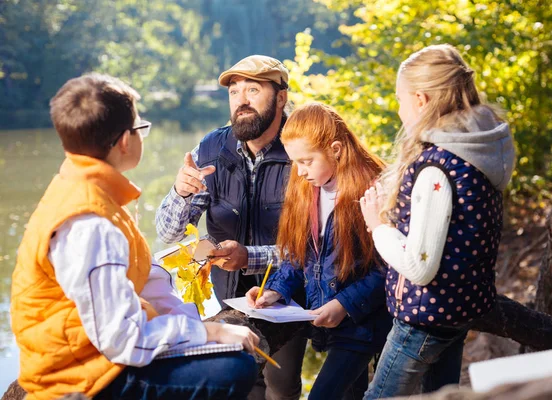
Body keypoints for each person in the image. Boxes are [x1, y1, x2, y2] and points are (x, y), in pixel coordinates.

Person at [10, 73, 259, 400]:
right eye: (141, 128)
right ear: (126, 141)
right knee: (233, 370)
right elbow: (122, 341)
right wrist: (206, 330)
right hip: (75, 376)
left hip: (93, 355)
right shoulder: (89, 221)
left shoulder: (87, 190)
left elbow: (144, 277)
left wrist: (200, 328)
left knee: (223, 351)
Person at [360, 44, 516, 398]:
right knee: (443, 394)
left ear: (421, 99)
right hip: (459, 308)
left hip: (425, 317)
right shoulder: (476, 148)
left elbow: (419, 267)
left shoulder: (437, 168)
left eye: (400, 100)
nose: (399, 110)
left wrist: (377, 226)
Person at [155, 55, 306, 400]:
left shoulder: (302, 149)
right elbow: (168, 234)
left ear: (281, 97)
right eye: (234, 91)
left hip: (289, 297)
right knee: (241, 384)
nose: (241, 100)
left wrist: (248, 257)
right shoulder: (210, 148)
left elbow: (314, 244)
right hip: (230, 298)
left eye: (253, 89)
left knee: (281, 389)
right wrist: (181, 192)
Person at [246, 102, 392, 400]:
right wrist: (275, 290)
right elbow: (297, 255)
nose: (300, 171)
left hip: (364, 324)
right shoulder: (307, 188)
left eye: (307, 161)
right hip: (331, 326)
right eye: (294, 162)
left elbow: (388, 267)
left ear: (336, 149)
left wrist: (344, 304)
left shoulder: (374, 190)